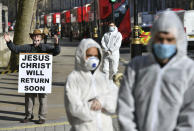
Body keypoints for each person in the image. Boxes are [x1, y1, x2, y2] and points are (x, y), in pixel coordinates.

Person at [117, 11, 194, 131]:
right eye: (160, 39)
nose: (164, 43)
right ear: (153, 39)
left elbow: (190, 114)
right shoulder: (136, 67)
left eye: (169, 39)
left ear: (177, 40)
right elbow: (125, 106)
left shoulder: (188, 70)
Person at [4, 29, 60, 124]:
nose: (36, 38)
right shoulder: (27, 47)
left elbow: (56, 52)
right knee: (29, 97)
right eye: (34, 36)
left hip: (41, 79)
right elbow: (15, 49)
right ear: (32, 38)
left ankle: (42, 117)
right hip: (30, 79)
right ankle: (29, 115)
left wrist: (56, 44)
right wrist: (9, 41)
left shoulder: (45, 47)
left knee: (43, 98)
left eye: (38, 36)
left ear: (41, 38)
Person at [65, 38, 118, 131]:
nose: (93, 59)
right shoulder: (73, 79)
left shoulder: (103, 77)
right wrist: (97, 107)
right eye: (89, 55)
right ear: (81, 55)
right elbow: (74, 109)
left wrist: (101, 101)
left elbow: (115, 101)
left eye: (96, 56)